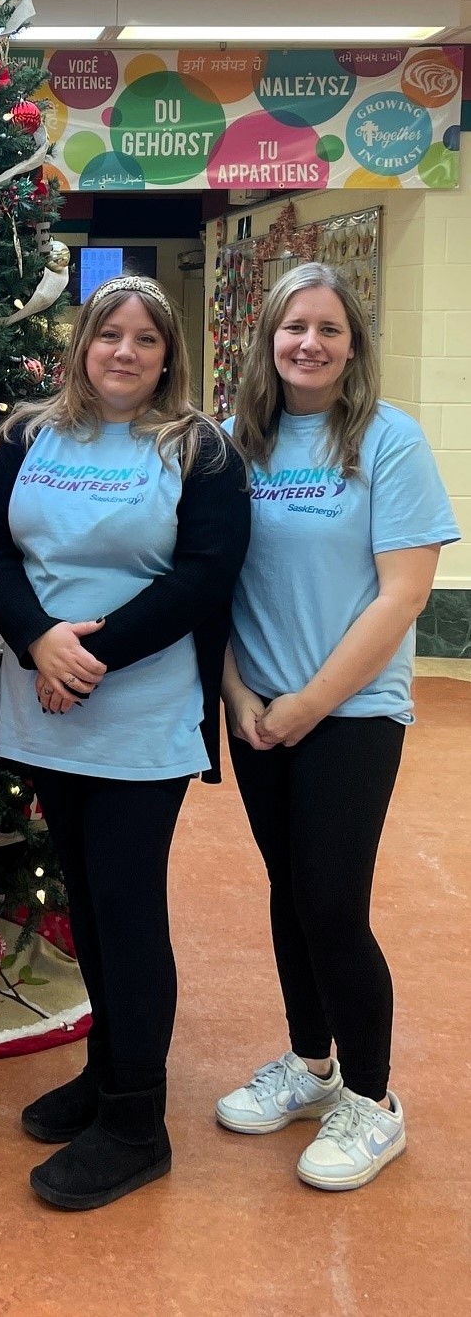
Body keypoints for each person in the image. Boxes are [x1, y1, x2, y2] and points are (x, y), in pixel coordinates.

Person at [0, 274, 249, 1211]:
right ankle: (104, 1074)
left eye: (145, 339)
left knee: (126, 911)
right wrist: (39, 639)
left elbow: (204, 577)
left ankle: (136, 1123)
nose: (124, 352)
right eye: (108, 335)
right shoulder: (28, 435)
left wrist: (87, 657)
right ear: (82, 343)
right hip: (47, 706)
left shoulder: (198, 450)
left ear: (169, 355)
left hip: (138, 718)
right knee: (85, 905)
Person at [217, 262, 458, 1192]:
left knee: (329, 903)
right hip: (257, 710)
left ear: (352, 344)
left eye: (326, 328)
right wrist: (239, 697)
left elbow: (403, 594)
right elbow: (218, 582)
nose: (307, 344)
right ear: (266, 339)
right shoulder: (238, 441)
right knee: (288, 892)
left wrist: (307, 704)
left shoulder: (387, 441)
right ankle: (310, 1067)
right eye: (291, 327)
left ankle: (372, 1100)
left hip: (349, 714)